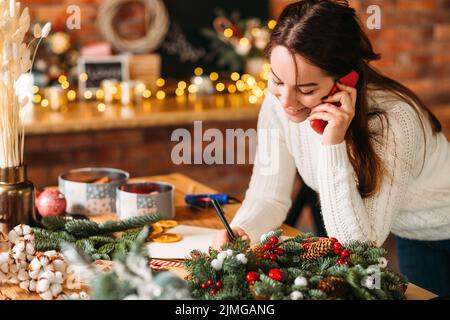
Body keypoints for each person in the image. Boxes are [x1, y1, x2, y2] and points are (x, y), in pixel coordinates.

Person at [213, 0, 450, 297]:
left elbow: (356, 249)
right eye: (277, 80)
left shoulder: (393, 121)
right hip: (411, 232)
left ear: (345, 80)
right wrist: (243, 231)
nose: (286, 100)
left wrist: (333, 142)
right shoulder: (278, 105)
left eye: (306, 89)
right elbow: (268, 194)